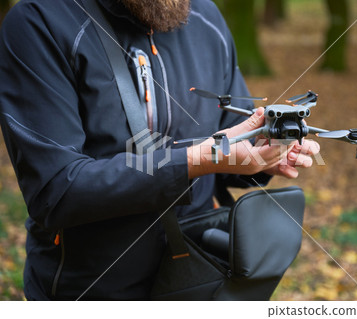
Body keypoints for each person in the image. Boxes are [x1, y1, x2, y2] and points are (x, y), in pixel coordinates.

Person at [0, 0, 319, 300]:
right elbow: (56, 191)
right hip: (91, 289)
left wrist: (265, 156)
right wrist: (198, 159)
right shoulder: (39, 21)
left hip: (200, 281)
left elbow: (236, 141)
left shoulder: (206, 16)